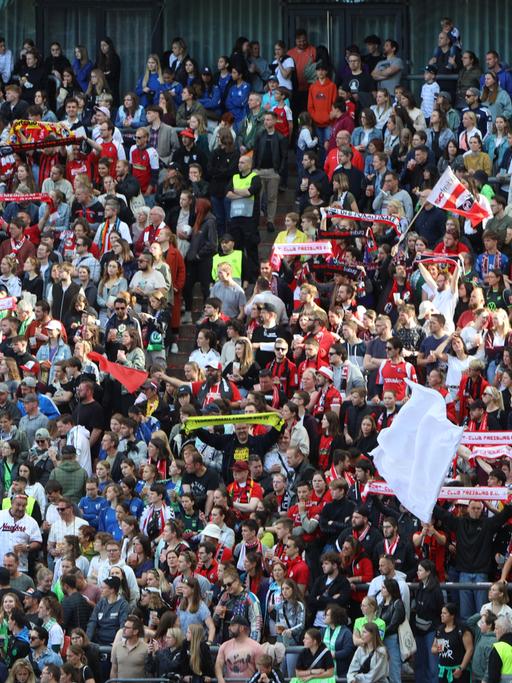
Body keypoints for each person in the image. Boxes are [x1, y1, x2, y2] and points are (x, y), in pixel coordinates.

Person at [215, 614, 264, 683]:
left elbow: (261, 670)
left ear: (241, 628)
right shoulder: (224, 646)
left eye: (232, 625)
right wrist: (220, 678)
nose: (229, 628)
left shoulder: (256, 647)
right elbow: (218, 664)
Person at [432, 603, 473, 683]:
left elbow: (470, 649)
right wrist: (436, 649)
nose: (441, 615)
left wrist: (461, 668)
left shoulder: (462, 630)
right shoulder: (440, 630)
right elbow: (433, 647)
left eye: (444, 613)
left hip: (459, 671)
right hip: (443, 671)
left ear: (452, 615)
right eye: (441, 613)